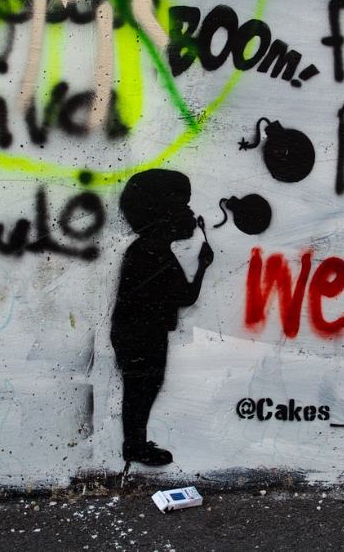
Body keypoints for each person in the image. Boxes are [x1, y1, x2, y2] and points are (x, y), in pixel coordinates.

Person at [110, 169, 213, 466]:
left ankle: (135, 443)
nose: (189, 213)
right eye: (181, 206)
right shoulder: (152, 252)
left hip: (139, 332)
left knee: (142, 387)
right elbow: (185, 296)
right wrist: (203, 265)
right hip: (141, 334)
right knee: (141, 388)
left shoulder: (149, 249)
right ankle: (135, 444)